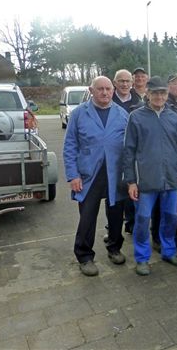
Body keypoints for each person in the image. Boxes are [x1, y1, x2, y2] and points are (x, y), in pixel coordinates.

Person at [123, 76, 177, 276]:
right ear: (148, 94)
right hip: (145, 181)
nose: (159, 96)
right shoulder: (136, 117)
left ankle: (168, 251)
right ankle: (142, 258)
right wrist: (131, 181)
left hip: (170, 178)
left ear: (167, 95)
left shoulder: (173, 117)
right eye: (155, 93)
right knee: (143, 220)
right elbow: (128, 151)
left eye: (162, 93)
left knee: (170, 217)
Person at [63, 76, 129, 276]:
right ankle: (84, 256)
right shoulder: (79, 114)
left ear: (113, 90)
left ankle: (114, 247)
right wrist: (73, 175)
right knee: (88, 216)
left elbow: (130, 146)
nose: (105, 93)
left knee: (116, 213)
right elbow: (70, 146)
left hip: (116, 173)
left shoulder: (122, 114)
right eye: (100, 89)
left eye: (108, 89)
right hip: (89, 173)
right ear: (91, 90)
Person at [150, 73, 177, 251]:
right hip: (162, 161)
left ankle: (171, 232)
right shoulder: (162, 106)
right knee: (162, 200)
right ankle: (158, 238)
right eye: (176, 84)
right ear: (167, 88)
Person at [111, 69, 141, 233]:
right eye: (121, 81)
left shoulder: (139, 101)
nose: (124, 84)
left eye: (127, 81)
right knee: (114, 193)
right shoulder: (108, 98)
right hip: (114, 153)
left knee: (132, 188)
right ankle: (113, 227)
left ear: (132, 83)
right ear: (115, 83)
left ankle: (131, 223)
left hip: (133, 153)